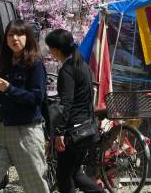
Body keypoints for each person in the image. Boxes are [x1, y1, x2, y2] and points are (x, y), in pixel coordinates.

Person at [0, 19, 49, 193]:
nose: (15, 38)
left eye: (20, 34)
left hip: (26, 133)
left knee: (35, 186)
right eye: (11, 34)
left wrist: (8, 87)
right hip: (1, 130)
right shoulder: (5, 63)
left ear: (28, 38)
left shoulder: (35, 65)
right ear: (6, 39)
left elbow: (36, 98)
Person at [44, 29, 101, 193]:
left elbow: (67, 103)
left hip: (74, 132)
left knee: (63, 177)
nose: (49, 52)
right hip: (87, 129)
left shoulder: (67, 70)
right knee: (74, 173)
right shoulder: (82, 65)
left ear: (56, 49)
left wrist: (60, 131)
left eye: (50, 48)